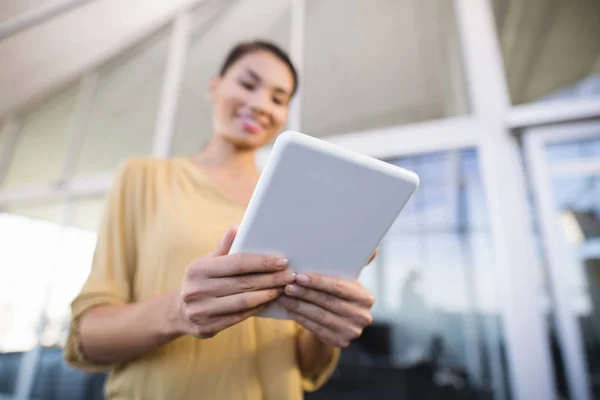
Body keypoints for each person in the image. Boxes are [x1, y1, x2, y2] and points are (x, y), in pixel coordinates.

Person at [64, 40, 376, 400]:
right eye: (248, 84)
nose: (260, 104)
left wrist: (327, 324)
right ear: (215, 86)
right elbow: (87, 338)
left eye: (278, 98)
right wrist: (178, 312)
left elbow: (306, 367)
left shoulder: (302, 203)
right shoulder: (144, 178)